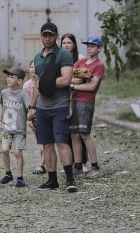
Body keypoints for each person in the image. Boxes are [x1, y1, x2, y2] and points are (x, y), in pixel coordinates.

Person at [33, 22, 78, 192]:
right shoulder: (37, 57)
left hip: (59, 105)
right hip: (42, 107)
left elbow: (66, 80)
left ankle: (70, 179)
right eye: (45, 35)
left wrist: (46, 82)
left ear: (56, 36)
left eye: (51, 35)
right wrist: (32, 106)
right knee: (46, 145)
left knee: (61, 143)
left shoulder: (64, 55)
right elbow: (37, 85)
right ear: (41, 37)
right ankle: (52, 180)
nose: (48, 38)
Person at [70, 36, 105, 178]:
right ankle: (77, 166)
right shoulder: (81, 61)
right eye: (87, 45)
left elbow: (91, 86)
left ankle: (95, 167)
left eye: (92, 45)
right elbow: (68, 75)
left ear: (99, 48)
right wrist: (72, 81)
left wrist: (73, 85)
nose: (89, 47)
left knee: (84, 134)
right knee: (74, 134)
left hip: (86, 102)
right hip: (74, 101)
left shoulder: (99, 65)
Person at [60, 33, 89, 173]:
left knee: (79, 132)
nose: (66, 45)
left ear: (74, 45)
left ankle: (82, 162)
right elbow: (58, 78)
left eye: (69, 43)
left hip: (78, 98)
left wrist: (70, 81)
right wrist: (71, 80)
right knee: (66, 133)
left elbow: (84, 78)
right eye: (64, 43)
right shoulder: (57, 59)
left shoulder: (81, 59)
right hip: (62, 98)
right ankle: (69, 162)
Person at [0, 66, 31, 187]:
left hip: (19, 129)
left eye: (12, 77)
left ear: (20, 81)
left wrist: (31, 115)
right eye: (8, 76)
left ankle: (20, 177)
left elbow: (29, 109)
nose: (9, 79)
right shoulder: (4, 92)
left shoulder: (23, 95)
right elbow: (2, 106)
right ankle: (8, 174)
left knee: (18, 153)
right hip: (7, 128)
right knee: (4, 150)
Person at [23, 60, 46, 175]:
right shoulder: (27, 85)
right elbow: (26, 102)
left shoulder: (43, 82)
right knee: (41, 140)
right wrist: (29, 116)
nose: (33, 69)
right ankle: (43, 163)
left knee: (44, 141)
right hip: (31, 114)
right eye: (31, 67)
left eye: (35, 67)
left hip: (43, 112)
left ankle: (41, 165)